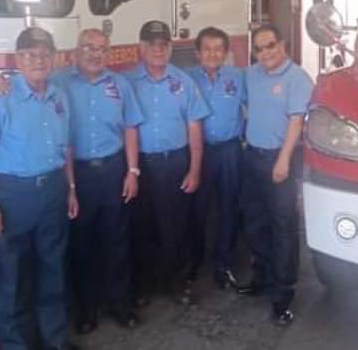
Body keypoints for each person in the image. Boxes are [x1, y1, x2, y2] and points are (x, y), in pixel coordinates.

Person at [0, 27, 79, 350]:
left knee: (53, 270)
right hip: (11, 196)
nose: (38, 60)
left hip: (53, 190)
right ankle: (14, 344)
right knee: (9, 277)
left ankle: (54, 340)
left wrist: (70, 188)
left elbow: (67, 147)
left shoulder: (60, 95)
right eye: (30, 54)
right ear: (18, 59)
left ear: (54, 58)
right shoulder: (0, 97)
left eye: (45, 54)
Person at [54, 28, 144, 334]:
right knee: (81, 245)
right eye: (88, 47)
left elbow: (131, 127)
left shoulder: (121, 85)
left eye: (102, 48)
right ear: (76, 51)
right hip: (75, 173)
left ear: (110, 53)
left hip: (113, 169)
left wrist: (133, 171)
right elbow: (24, 83)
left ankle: (120, 305)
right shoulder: (58, 82)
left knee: (117, 241)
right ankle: (86, 310)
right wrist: (0, 83)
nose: (95, 53)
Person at [126, 20, 210, 306]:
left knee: (176, 226)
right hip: (141, 166)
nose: (158, 50)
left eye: (163, 45)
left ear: (170, 48)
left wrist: (194, 169)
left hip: (175, 162)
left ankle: (177, 283)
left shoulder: (184, 82)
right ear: (141, 48)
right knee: (142, 227)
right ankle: (144, 285)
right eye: (152, 45)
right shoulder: (126, 82)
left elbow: (195, 128)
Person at [238, 24, 313, 326]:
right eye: (259, 48)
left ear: (283, 45)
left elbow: (296, 122)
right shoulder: (252, 74)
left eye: (271, 45)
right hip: (252, 157)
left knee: (283, 228)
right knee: (255, 223)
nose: (266, 52)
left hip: (279, 161)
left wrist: (282, 162)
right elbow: (245, 105)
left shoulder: (298, 78)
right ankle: (263, 278)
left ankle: (282, 295)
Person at [186, 27, 245, 290]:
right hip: (199, 153)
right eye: (207, 49)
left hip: (230, 152)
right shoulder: (186, 80)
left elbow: (257, 104)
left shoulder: (237, 77)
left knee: (228, 209)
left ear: (226, 53)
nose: (213, 54)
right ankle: (193, 262)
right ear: (198, 53)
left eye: (218, 49)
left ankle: (223, 264)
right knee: (196, 211)